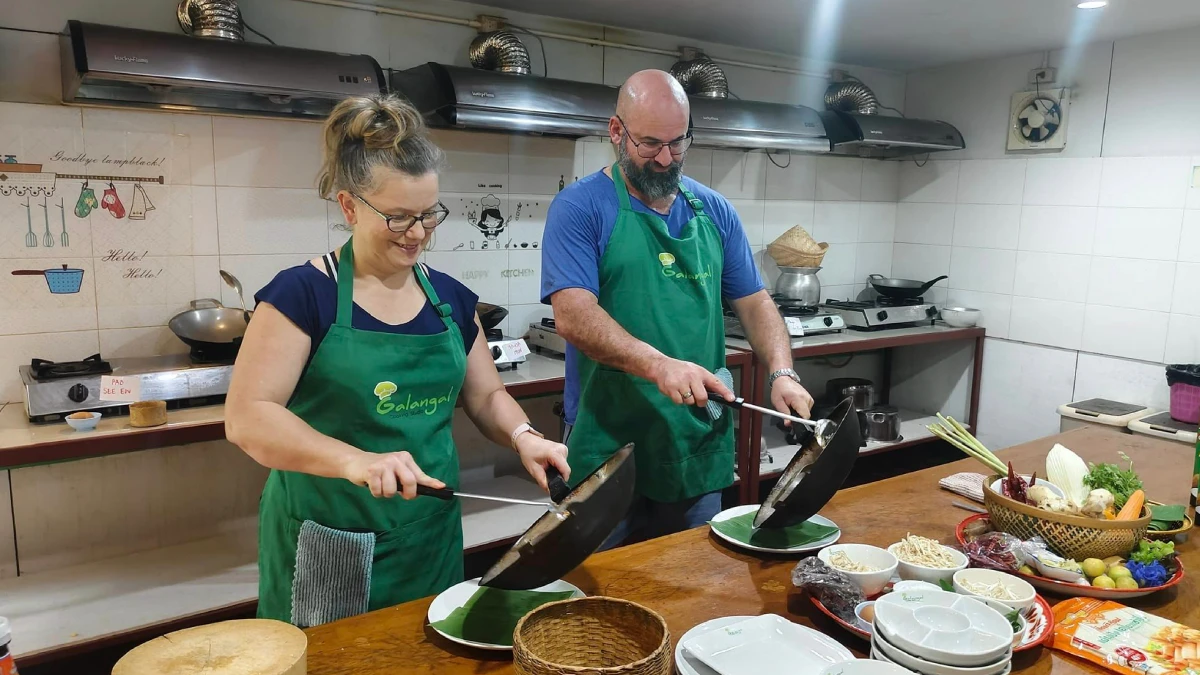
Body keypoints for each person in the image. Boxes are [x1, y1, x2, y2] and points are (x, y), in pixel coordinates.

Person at [225, 94, 570, 627]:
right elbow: (249, 417)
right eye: (399, 218)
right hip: (330, 538)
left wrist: (527, 437)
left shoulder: (452, 299)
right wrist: (355, 462)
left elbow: (485, 395)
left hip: (428, 536)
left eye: (429, 214)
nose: (417, 233)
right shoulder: (302, 296)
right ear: (349, 207)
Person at [541, 70, 815, 548]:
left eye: (678, 143)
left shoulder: (715, 211)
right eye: (650, 144)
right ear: (616, 132)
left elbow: (754, 302)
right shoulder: (580, 207)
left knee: (692, 578)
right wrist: (658, 365)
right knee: (604, 597)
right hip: (609, 443)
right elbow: (573, 315)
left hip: (694, 439)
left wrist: (782, 372)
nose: (666, 158)